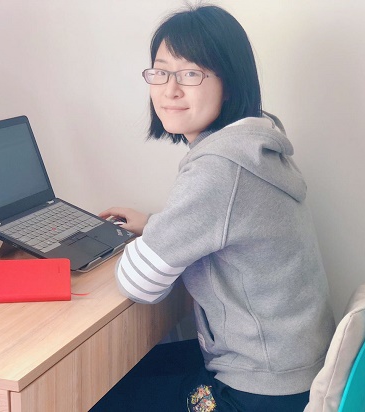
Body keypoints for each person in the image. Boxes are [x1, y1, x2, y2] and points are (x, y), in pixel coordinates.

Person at [93, 4, 335, 412]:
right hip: (290, 369)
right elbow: (227, 224)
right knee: (125, 374)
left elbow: (138, 285)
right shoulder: (254, 144)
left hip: (256, 392)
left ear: (230, 83)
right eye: (160, 72)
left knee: (97, 394)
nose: (170, 90)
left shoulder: (221, 168)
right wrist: (157, 225)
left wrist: (107, 245)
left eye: (191, 74)